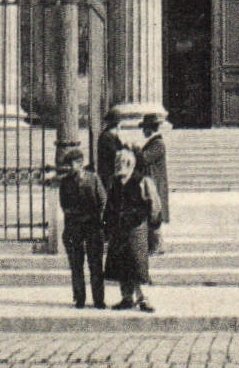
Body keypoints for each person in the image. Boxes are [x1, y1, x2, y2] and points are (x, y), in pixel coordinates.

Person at [103, 146, 160, 311]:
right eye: (118, 163)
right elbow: (110, 206)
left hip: (136, 228)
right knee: (121, 264)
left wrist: (154, 226)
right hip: (119, 230)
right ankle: (126, 297)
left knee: (137, 265)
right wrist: (108, 226)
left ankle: (143, 298)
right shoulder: (115, 183)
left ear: (131, 163)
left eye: (124, 163)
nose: (121, 166)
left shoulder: (142, 181)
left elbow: (153, 206)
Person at [56, 145, 107, 309]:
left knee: (95, 263)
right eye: (67, 165)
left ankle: (99, 299)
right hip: (74, 227)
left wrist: (97, 219)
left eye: (72, 164)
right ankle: (79, 298)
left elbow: (103, 202)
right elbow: (64, 205)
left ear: (80, 163)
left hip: (93, 227)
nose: (69, 168)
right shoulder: (65, 183)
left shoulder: (94, 179)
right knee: (76, 264)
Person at [136, 114, 169, 254]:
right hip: (151, 182)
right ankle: (155, 245)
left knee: (154, 214)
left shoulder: (158, 144)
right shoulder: (153, 143)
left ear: (151, 128)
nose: (143, 131)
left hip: (155, 184)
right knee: (151, 214)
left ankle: (158, 245)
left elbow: (144, 159)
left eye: (145, 128)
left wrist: (135, 150)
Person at [96, 110, 123, 192]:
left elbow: (120, 148)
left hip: (111, 173)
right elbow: (113, 153)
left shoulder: (112, 136)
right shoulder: (107, 136)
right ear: (117, 124)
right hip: (108, 174)